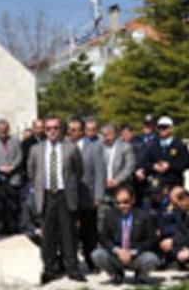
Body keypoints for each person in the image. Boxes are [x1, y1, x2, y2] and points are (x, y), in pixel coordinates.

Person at [27, 118, 86, 284]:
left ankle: (72, 269)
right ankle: (49, 270)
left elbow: (78, 170)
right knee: (48, 236)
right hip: (46, 195)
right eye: (48, 129)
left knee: (69, 234)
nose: (51, 131)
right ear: (43, 131)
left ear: (61, 130)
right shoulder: (36, 149)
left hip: (64, 194)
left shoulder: (71, 148)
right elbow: (31, 172)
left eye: (55, 128)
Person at [91, 186, 160, 285]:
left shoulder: (144, 216)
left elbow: (151, 239)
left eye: (125, 202)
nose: (122, 205)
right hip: (116, 256)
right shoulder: (110, 215)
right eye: (118, 202)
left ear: (133, 200)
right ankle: (116, 274)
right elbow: (103, 238)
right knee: (97, 254)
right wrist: (117, 251)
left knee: (152, 258)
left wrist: (132, 252)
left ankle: (140, 275)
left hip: (135, 256)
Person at [67, 117, 104, 273]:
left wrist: (98, 195)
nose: (71, 132)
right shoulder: (64, 146)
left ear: (82, 131)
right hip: (68, 198)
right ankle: (70, 263)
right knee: (69, 232)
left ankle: (92, 262)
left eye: (74, 129)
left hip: (88, 197)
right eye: (69, 129)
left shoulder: (93, 147)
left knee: (89, 233)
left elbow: (99, 173)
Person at [0, 119, 23, 234]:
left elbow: (19, 156)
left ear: (8, 129)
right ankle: (0, 229)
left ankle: (13, 228)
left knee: (13, 205)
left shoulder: (15, 141)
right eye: (0, 130)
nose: (3, 132)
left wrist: (12, 166)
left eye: (5, 130)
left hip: (13, 177)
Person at [146, 117, 189, 189]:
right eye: (159, 128)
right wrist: (153, 166)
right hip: (157, 182)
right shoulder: (153, 145)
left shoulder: (179, 144)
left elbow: (187, 163)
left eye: (164, 128)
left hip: (174, 181)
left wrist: (170, 166)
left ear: (171, 128)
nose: (161, 130)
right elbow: (146, 162)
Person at [100, 124, 136, 195]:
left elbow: (129, 166)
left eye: (109, 134)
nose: (106, 138)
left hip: (121, 186)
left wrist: (116, 180)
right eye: (104, 135)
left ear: (115, 134)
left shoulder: (126, 147)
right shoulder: (99, 148)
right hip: (102, 186)